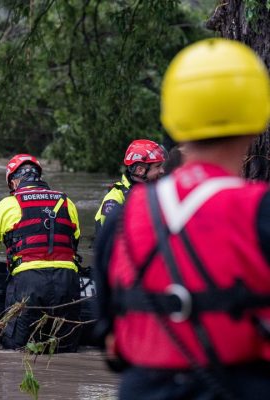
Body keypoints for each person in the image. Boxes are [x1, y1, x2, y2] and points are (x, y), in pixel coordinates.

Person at [94, 38, 270, 399]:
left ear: (174, 119)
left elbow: (112, 345)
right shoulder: (261, 212)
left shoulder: (121, 221)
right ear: (257, 118)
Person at [0, 154, 82, 352]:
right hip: (67, 282)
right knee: (65, 348)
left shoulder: (9, 204)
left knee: (16, 349)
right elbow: (73, 242)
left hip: (29, 283)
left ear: (14, 181)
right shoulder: (67, 202)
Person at [94, 139, 166, 237]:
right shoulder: (115, 199)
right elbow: (113, 242)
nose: (162, 171)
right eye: (158, 166)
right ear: (140, 170)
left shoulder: (157, 191)